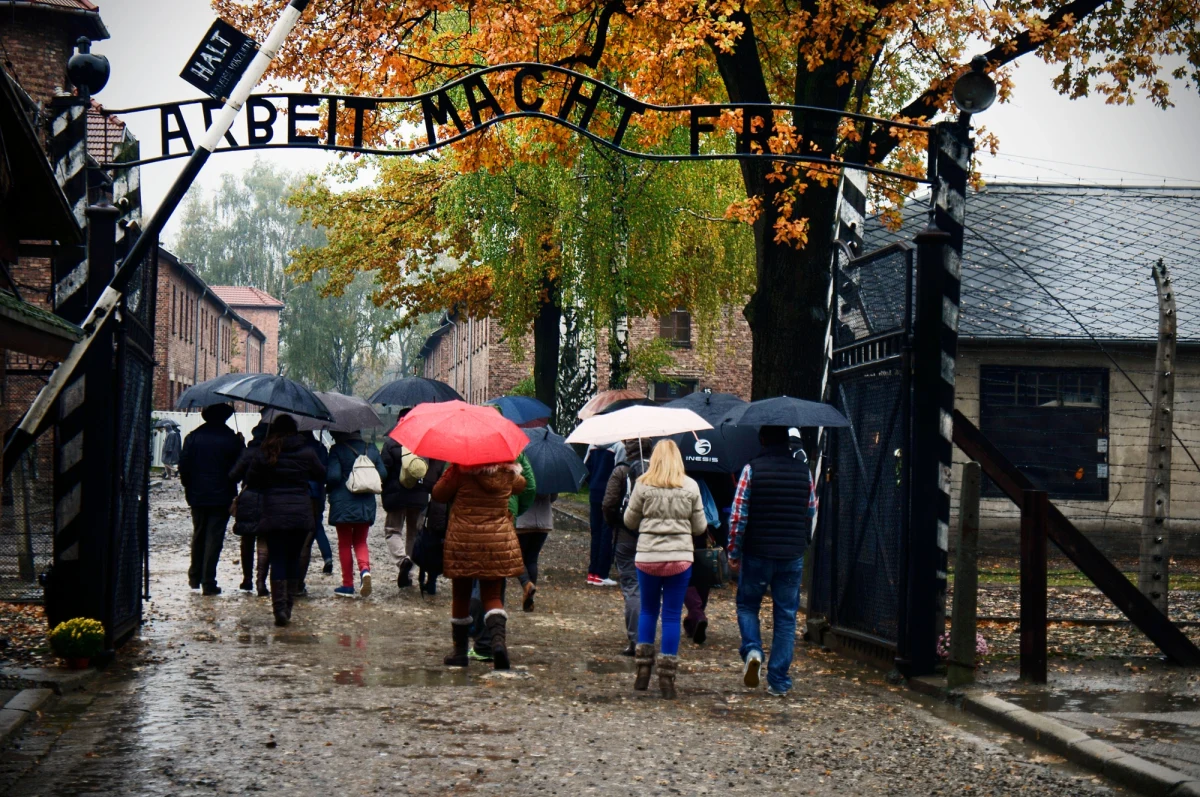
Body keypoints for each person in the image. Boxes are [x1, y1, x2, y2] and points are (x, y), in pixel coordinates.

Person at [727, 425, 816, 697]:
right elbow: (810, 510)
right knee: (786, 616)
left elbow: (739, 515)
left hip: (757, 551)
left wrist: (734, 551)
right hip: (791, 554)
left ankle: (753, 650)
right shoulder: (804, 471)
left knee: (747, 605)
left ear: (763, 439)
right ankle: (778, 680)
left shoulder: (752, 469)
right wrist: (802, 540)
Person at [622, 439, 707, 699]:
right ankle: (667, 678)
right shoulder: (690, 486)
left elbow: (629, 521)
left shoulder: (643, 484)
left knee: (648, 610)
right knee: (671, 616)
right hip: (679, 559)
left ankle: (643, 669)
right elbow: (700, 527)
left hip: (648, 557)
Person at [229, 414, 324, 626]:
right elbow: (321, 474)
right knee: (293, 558)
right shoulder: (307, 452)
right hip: (300, 514)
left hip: (272, 513)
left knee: (278, 558)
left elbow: (251, 480)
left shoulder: (265, 452)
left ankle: (279, 609)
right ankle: (288, 606)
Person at [432, 460, 526, 670]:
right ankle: (498, 644)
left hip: (463, 541)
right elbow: (522, 486)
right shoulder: (507, 474)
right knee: (492, 596)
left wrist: (452, 471)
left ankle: (459, 653)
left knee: (461, 596)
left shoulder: (459, 472)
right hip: (496, 542)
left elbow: (438, 494)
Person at [468, 451, 535, 661]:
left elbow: (446, 489)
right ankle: (495, 640)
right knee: (497, 579)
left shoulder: (468, 449)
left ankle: (483, 644)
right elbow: (530, 486)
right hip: (506, 515)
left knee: (477, 581)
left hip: (476, 520)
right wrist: (516, 508)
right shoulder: (513, 450)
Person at [178, 404, 245, 595]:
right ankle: (208, 581)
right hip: (222, 495)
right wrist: (241, 444)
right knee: (214, 537)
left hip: (197, 494)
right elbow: (241, 466)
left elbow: (183, 465)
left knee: (199, 533)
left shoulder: (193, 437)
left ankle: (194, 576)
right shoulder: (231, 439)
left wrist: (189, 486)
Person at [602, 438, 650, 656]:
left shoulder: (621, 471)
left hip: (625, 535)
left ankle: (636, 639)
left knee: (632, 587)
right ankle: (649, 636)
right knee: (651, 587)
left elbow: (608, 503)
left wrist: (613, 523)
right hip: (652, 535)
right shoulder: (660, 471)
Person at [326, 429, 387, 598]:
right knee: (361, 541)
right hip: (365, 503)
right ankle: (365, 570)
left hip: (343, 503)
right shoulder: (371, 449)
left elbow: (333, 476)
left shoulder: (337, 449)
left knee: (345, 544)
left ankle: (347, 585)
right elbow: (383, 473)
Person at [381, 419, 432, 590]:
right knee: (413, 534)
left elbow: (384, 471)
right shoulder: (423, 445)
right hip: (418, 497)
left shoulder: (390, 444)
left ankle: (402, 560)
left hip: (396, 496)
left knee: (392, 531)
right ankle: (409, 574)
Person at [683, 472, 732, 645]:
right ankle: (696, 617)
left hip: (685, 526)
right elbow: (728, 494)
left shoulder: (684, 472)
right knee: (703, 572)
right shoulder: (720, 468)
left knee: (684, 572)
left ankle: (696, 614)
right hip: (712, 525)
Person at [297, 431, 332, 594]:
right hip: (316, 494)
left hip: (297, 492)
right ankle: (327, 557)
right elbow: (324, 473)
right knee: (315, 526)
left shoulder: (291, 447)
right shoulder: (319, 447)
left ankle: (291, 580)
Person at [515, 492, 555, 612]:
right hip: (543, 520)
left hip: (523, 519)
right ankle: (529, 599)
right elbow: (553, 496)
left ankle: (526, 583)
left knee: (517, 557)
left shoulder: (524, 478)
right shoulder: (550, 479)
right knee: (532, 559)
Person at [584, 444, 618, 586]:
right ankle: (601, 574)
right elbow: (620, 471)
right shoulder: (618, 446)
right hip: (610, 494)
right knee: (607, 533)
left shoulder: (592, 445)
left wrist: (593, 482)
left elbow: (585, 469)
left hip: (594, 492)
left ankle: (592, 572)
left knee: (595, 533)